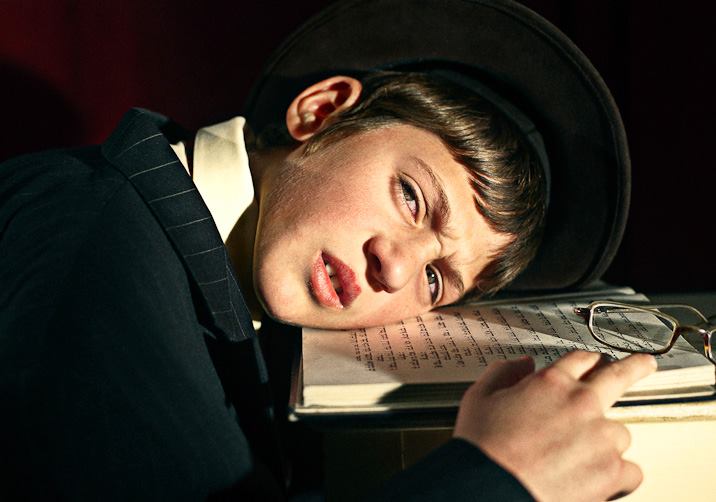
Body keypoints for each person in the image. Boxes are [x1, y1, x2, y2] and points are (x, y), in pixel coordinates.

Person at [0, 0, 655, 500]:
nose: (395, 267)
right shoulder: (92, 250)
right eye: (411, 196)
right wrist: (497, 478)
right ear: (320, 112)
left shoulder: (213, 295)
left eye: (435, 280)